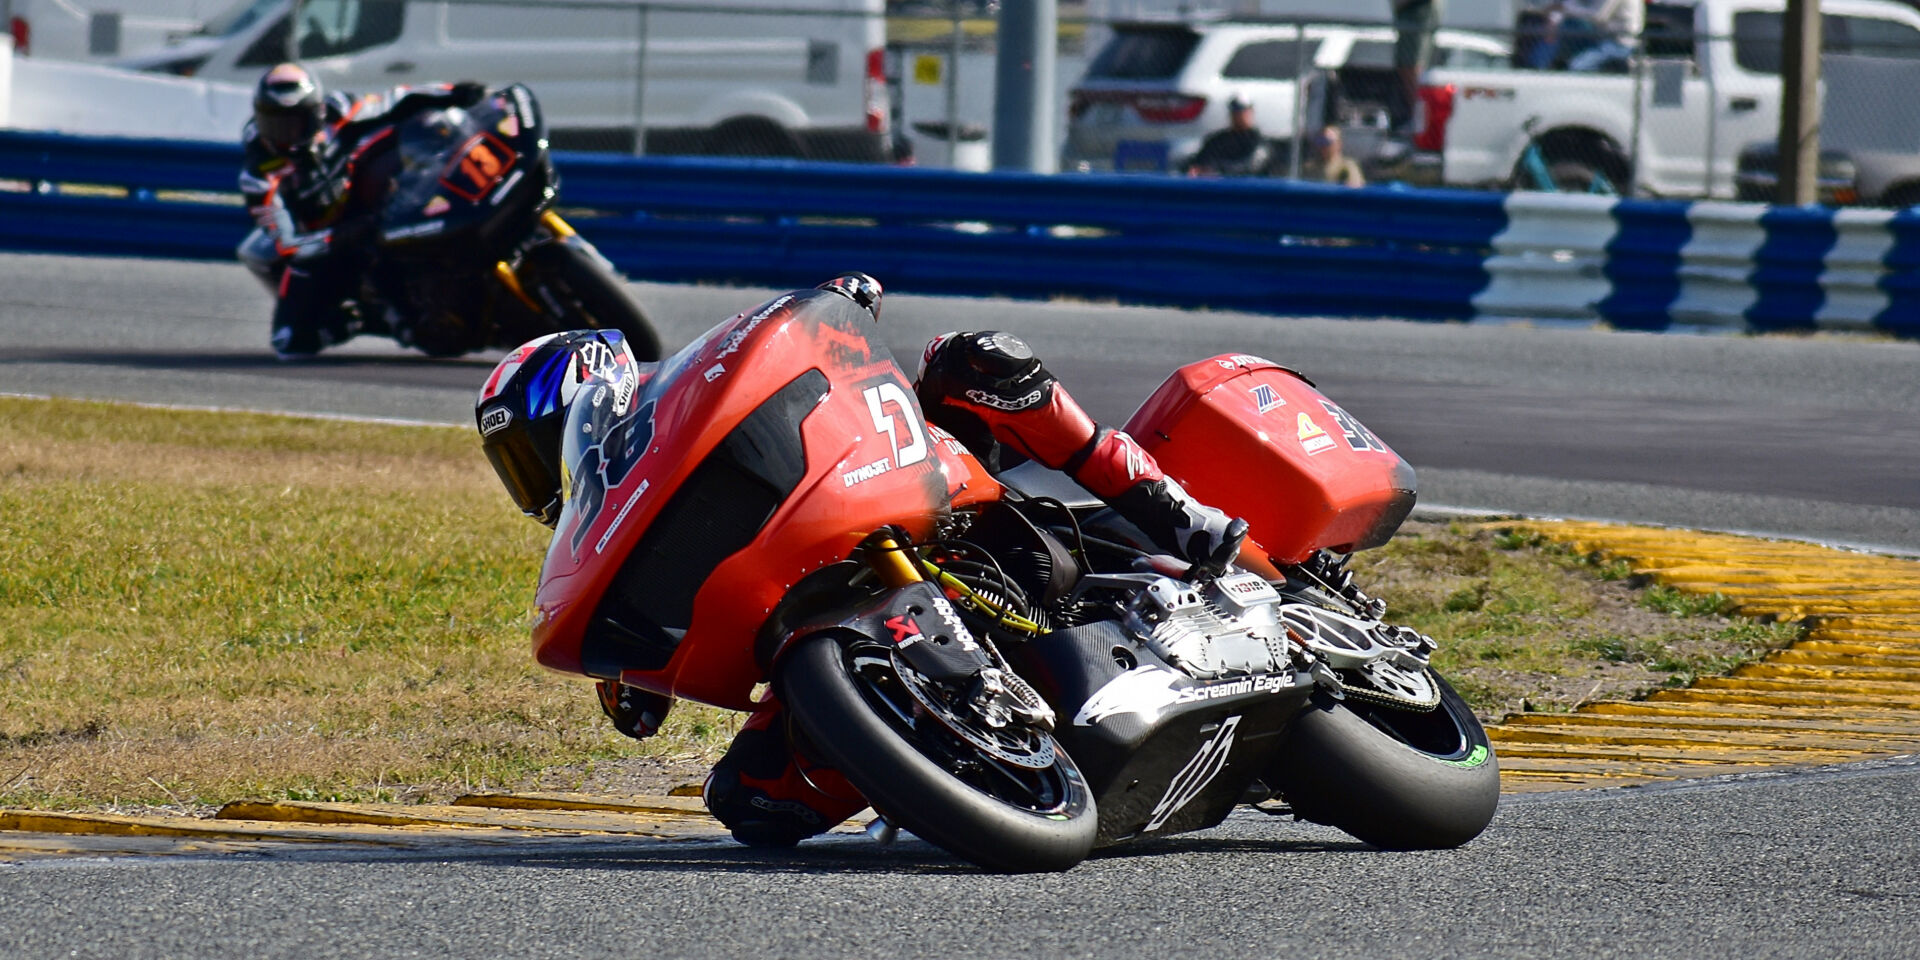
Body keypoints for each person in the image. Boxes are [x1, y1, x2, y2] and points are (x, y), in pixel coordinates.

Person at [474, 274, 1248, 847]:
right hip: (804, 606)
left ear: (587, 392)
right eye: (517, 468)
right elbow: (638, 713)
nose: (535, 479)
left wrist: (831, 307)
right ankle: (939, 767)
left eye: (529, 451)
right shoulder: (614, 533)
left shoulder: (680, 404)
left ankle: (1174, 514)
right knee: (750, 806)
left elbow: (789, 354)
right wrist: (630, 675)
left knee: (975, 360)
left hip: (905, 479)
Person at [237, 62, 488, 359]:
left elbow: (398, 100)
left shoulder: (338, 111)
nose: (286, 136)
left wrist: (452, 93)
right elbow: (289, 245)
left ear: (316, 113)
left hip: (370, 201)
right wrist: (340, 236)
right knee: (290, 343)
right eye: (276, 124)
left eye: (296, 123)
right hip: (323, 239)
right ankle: (370, 320)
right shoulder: (260, 175)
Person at [1184, 96, 1273, 177]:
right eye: (1235, 112)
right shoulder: (1219, 140)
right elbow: (1201, 160)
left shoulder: (1260, 142)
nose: (1239, 115)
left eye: (1243, 111)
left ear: (1251, 112)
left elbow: (1251, 166)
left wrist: (1218, 170)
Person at [1391, 0, 1444, 130]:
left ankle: (1419, 119)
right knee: (1405, 65)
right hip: (1407, 12)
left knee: (1413, 65)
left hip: (1418, 9)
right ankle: (1415, 117)